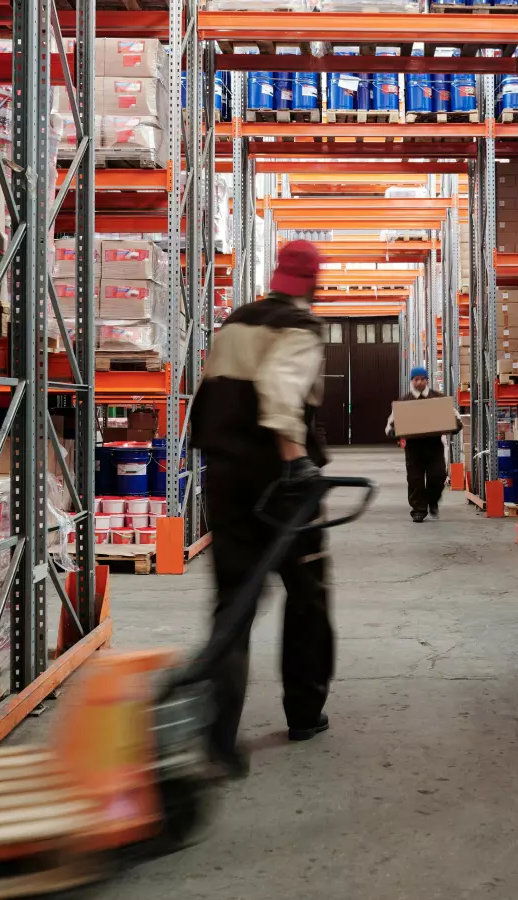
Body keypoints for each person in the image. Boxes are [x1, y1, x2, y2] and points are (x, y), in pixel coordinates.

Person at [189, 240, 333, 778]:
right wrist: (295, 462)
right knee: (308, 596)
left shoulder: (235, 321)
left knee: (233, 603)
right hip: (279, 484)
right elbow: (279, 392)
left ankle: (218, 735)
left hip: (224, 478)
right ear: (313, 284)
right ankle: (305, 712)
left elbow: (213, 392)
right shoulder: (300, 327)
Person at [385, 366, 458, 523]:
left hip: (434, 447)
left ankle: (432, 501)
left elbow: (455, 418)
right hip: (414, 448)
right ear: (412, 381)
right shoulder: (404, 402)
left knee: (438, 476)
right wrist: (394, 431)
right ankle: (418, 510)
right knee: (415, 480)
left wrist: (454, 425)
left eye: (422, 379)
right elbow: (390, 425)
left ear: (427, 380)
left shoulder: (438, 398)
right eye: (416, 379)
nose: (419, 382)